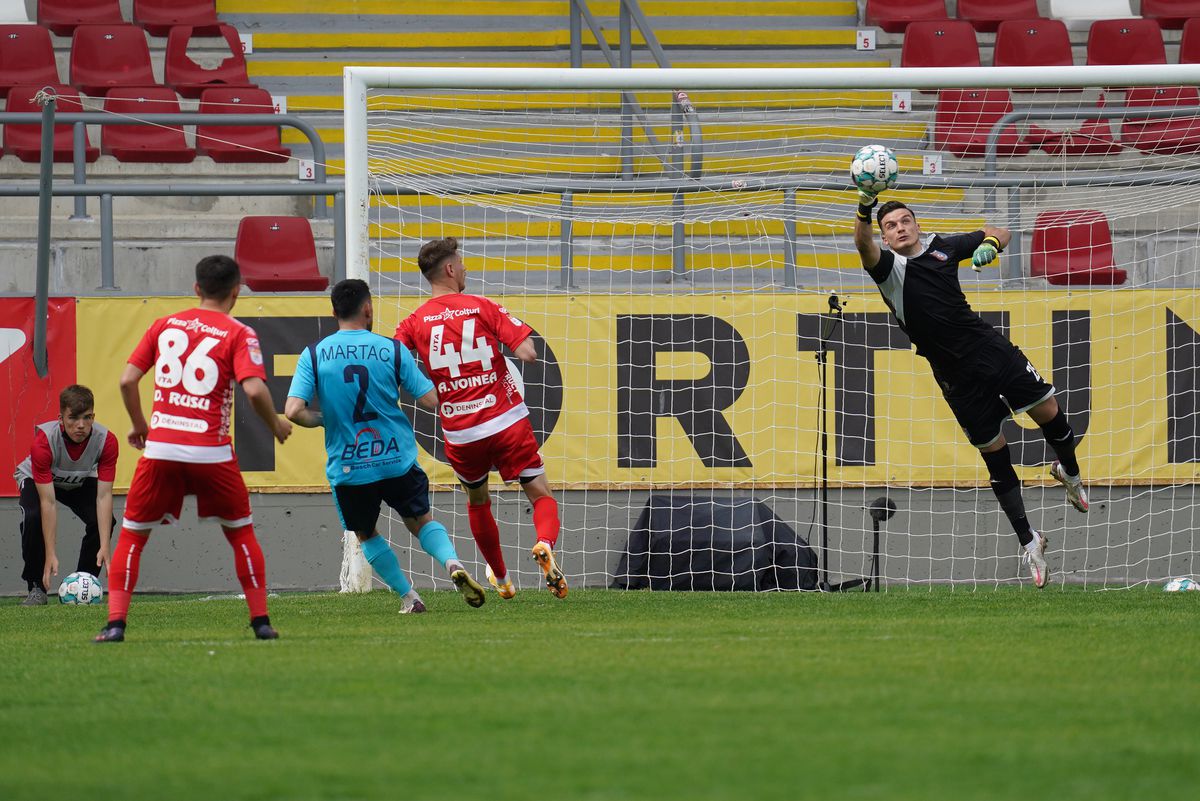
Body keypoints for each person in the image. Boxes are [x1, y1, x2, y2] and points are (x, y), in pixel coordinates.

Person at [853, 189, 1088, 588]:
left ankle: (1068, 471)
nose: (900, 228)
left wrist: (990, 246)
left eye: (905, 220)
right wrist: (865, 205)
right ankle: (1030, 542)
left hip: (989, 350)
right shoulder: (886, 268)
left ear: (917, 225)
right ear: (886, 238)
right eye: (890, 226)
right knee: (995, 455)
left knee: (1047, 411)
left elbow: (1000, 231)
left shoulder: (942, 248)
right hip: (953, 377)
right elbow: (862, 242)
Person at [95, 255, 293, 643]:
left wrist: (139, 426)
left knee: (134, 536)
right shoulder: (238, 333)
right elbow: (253, 389)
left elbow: (125, 380)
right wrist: (276, 424)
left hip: (162, 448)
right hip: (211, 452)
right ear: (236, 291)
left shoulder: (163, 324)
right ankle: (261, 622)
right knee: (240, 534)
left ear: (196, 289)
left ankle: (115, 624)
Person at [284, 278, 485, 613]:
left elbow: (293, 410)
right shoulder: (391, 349)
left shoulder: (315, 355)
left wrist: (327, 419)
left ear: (334, 311)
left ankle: (410, 598)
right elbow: (431, 398)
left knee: (366, 533)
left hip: (350, 465)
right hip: (396, 458)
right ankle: (452, 564)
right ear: (368, 308)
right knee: (420, 519)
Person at [395, 237, 567, 600]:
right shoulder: (481, 306)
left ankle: (503, 580)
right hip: (506, 420)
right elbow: (528, 352)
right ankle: (544, 543)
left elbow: (393, 359)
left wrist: (429, 385)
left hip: (461, 431)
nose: (466, 268)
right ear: (450, 269)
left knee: (477, 500)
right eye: (462, 262)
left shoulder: (415, 321)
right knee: (540, 493)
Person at [13, 384, 118, 606]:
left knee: (104, 523)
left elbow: (104, 496)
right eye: (73, 418)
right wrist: (50, 553)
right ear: (61, 418)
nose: (81, 425)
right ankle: (36, 588)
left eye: (87, 418)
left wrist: (105, 545)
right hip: (39, 480)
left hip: (77, 479)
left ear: (93, 417)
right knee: (32, 517)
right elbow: (48, 503)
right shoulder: (43, 442)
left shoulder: (107, 441)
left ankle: (83, 585)